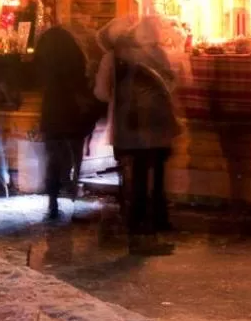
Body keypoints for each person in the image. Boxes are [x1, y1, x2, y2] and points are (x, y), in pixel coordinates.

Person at [96, 16, 182, 253]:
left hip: (127, 128)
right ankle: (143, 237)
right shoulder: (147, 55)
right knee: (144, 182)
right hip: (150, 128)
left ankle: (138, 235)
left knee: (136, 183)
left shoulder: (113, 58)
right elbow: (168, 83)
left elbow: (102, 93)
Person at [34, 21, 103, 218]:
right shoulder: (75, 61)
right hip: (72, 114)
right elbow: (81, 86)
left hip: (52, 113)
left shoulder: (45, 67)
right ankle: (72, 186)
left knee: (53, 158)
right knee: (74, 153)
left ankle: (53, 200)